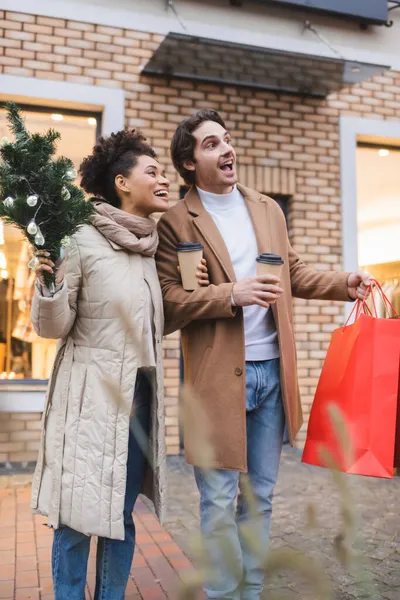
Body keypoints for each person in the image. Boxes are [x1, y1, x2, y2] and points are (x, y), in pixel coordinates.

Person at [155, 109, 370, 599]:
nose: (227, 149)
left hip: (272, 373)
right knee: (216, 499)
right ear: (189, 163)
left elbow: (292, 271)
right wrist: (232, 294)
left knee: (261, 497)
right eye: (212, 144)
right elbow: (169, 302)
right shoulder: (175, 222)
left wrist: (344, 283)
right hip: (214, 381)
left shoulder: (268, 209)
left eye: (227, 140)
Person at [29, 129, 208, 600]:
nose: (163, 178)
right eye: (153, 171)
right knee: (75, 518)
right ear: (123, 183)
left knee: (120, 514)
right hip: (87, 401)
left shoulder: (151, 249)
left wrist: (198, 294)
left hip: (138, 403)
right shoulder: (81, 238)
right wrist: (49, 283)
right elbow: (53, 327)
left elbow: (150, 326)